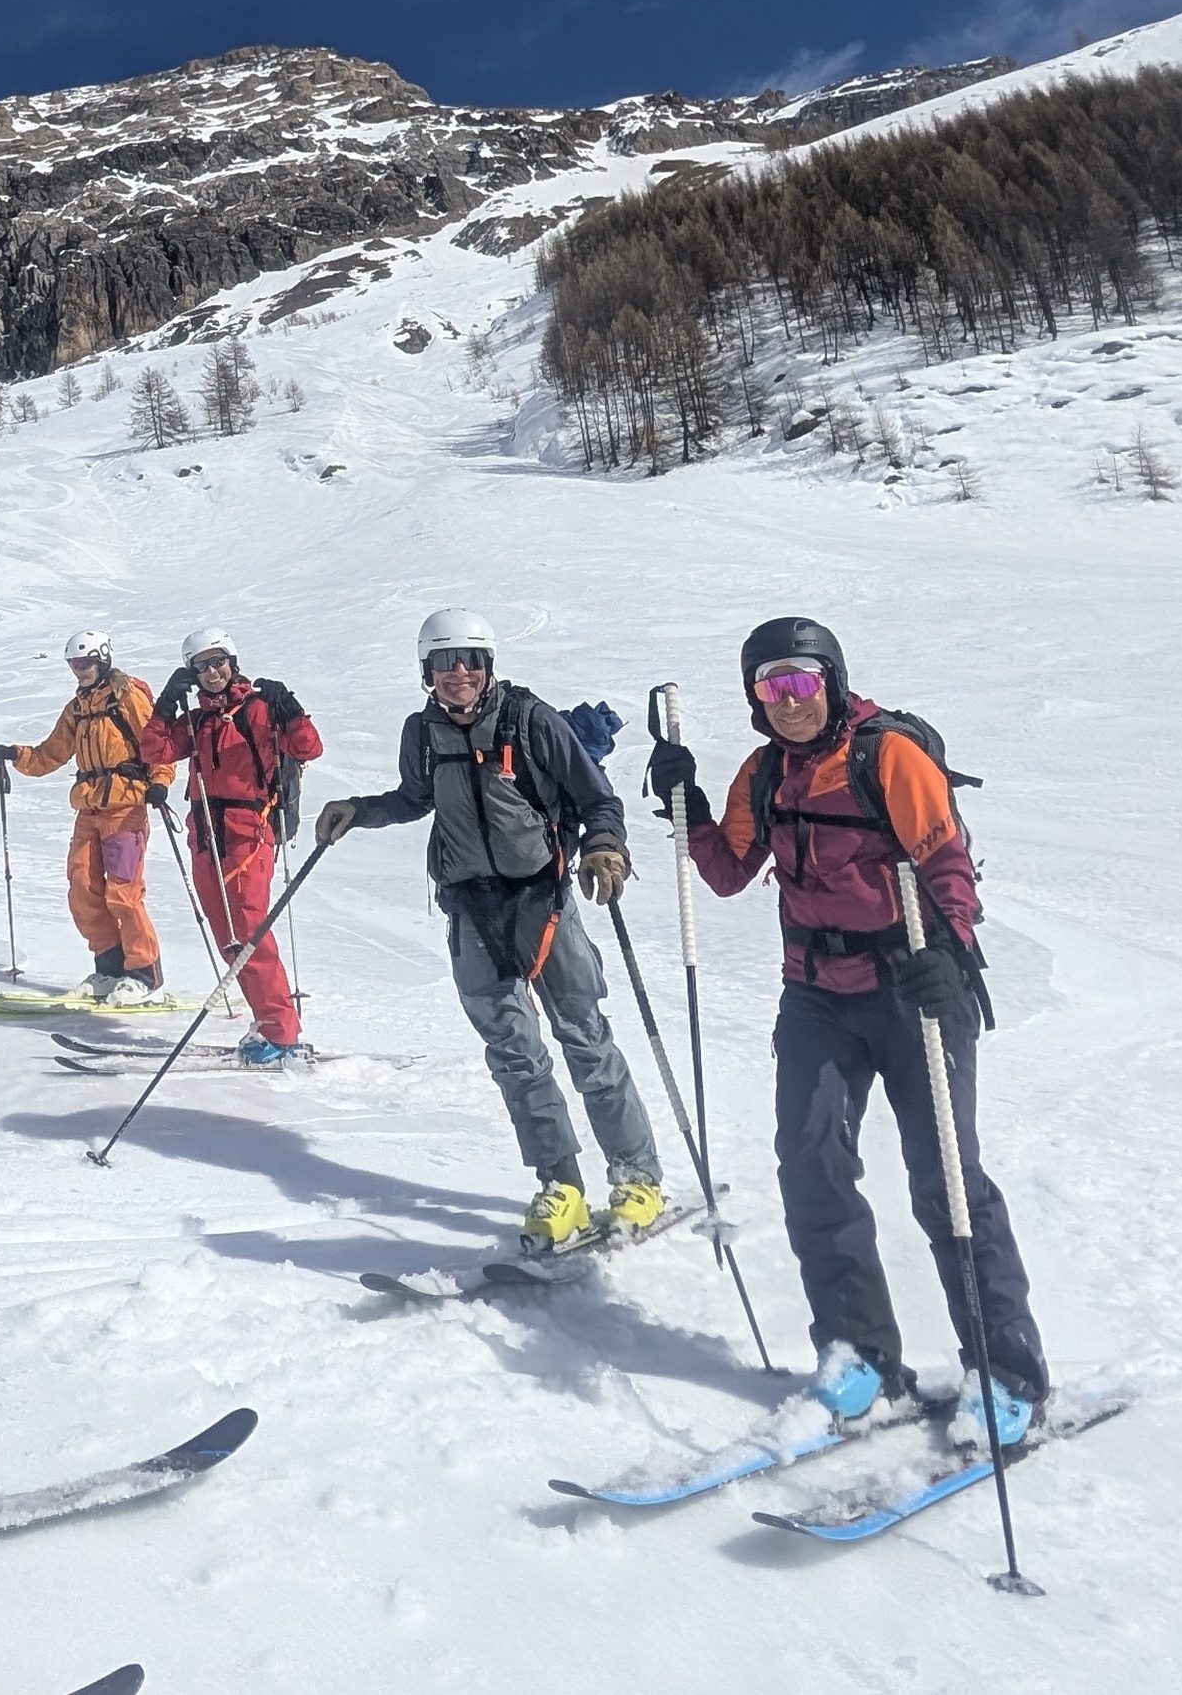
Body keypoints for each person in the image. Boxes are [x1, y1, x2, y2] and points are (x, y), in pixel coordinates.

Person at [646, 616, 1047, 1448]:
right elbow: (726, 874)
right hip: (816, 997)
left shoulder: (886, 755)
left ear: (829, 678)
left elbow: (945, 866)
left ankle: (1006, 1371)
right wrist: (685, 805)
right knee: (812, 1165)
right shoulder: (761, 775)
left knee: (946, 1182)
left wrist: (953, 948)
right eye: (768, 685)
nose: (787, 700)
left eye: (799, 680)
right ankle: (860, 1353)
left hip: (913, 988)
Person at [315, 609, 664, 1246]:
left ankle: (637, 1177)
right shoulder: (421, 732)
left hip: (544, 900)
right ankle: (561, 1185)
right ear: (427, 671)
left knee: (584, 1037)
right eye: (445, 662)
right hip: (470, 906)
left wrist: (605, 846)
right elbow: (417, 798)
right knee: (514, 1054)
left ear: (488, 665)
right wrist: (359, 811)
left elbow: (597, 800)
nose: (459, 674)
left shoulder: (531, 720)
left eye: (470, 660)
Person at [140, 627, 324, 1063]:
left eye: (218, 660)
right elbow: (155, 751)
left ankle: (282, 1035)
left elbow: (309, 748)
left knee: (251, 935)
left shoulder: (261, 708)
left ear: (233, 661)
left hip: (249, 832)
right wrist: (165, 704)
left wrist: (291, 708)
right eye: (201, 665)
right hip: (205, 832)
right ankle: (265, 1023)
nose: (212, 671)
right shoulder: (199, 718)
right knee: (229, 938)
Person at [0, 631, 174, 1004]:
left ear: (103, 660)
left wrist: (160, 782)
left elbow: (158, 745)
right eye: (74, 664)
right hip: (89, 808)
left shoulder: (128, 698)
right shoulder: (77, 707)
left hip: (125, 808)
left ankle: (143, 973)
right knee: (83, 888)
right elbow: (51, 753)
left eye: (86, 663)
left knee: (123, 892)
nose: (80, 670)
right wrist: (15, 754)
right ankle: (109, 968)